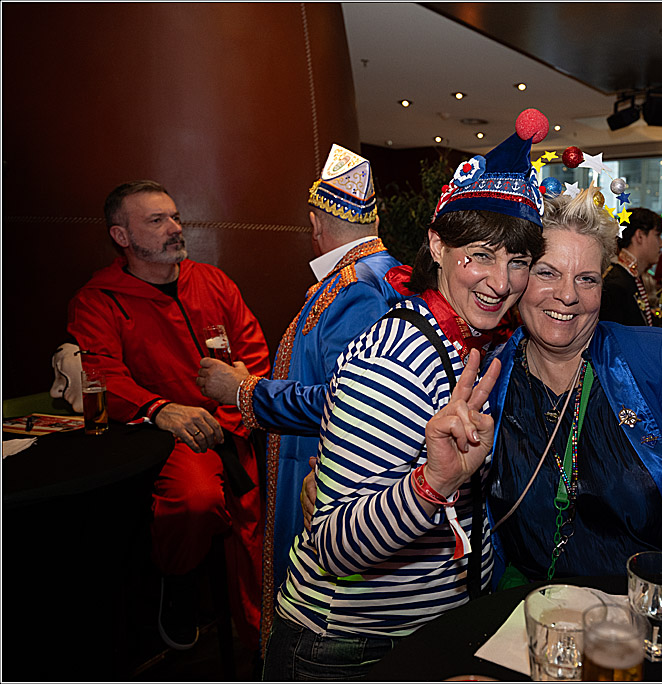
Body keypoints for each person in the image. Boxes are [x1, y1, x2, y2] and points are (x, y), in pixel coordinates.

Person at [262, 110, 548, 680]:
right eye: (481, 256)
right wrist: (433, 483)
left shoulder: (468, 342)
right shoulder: (393, 356)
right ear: (437, 246)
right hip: (348, 652)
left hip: (427, 634)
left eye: (517, 261)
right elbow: (334, 545)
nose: (501, 281)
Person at [196, 146, 402, 646]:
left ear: (315, 223)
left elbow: (341, 401)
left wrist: (241, 389)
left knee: (316, 620)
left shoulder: (355, 287)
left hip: (325, 476)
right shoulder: (374, 275)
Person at [479, 186, 662, 583]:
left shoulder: (655, 360)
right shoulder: (488, 381)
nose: (567, 295)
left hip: (647, 612)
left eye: (587, 278)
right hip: (525, 616)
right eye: (548, 273)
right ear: (519, 276)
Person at [67, 180, 271, 651]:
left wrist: (243, 398)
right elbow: (102, 374)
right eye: (156, 221)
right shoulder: (99, 299)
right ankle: (176, 583)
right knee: (195, 500)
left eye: (174, 217)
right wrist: (160, 410)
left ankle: (267, 644)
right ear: (122, 237)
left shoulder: (213, 281)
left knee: (270, 522)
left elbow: (255, 351)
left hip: (235, 427)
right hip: (168, 434)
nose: (175, 228)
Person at [599, 207, 662, 326]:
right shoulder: (615, 285)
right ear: (639, 236)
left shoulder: (629, 277)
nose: (661, 244)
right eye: (657, 235)